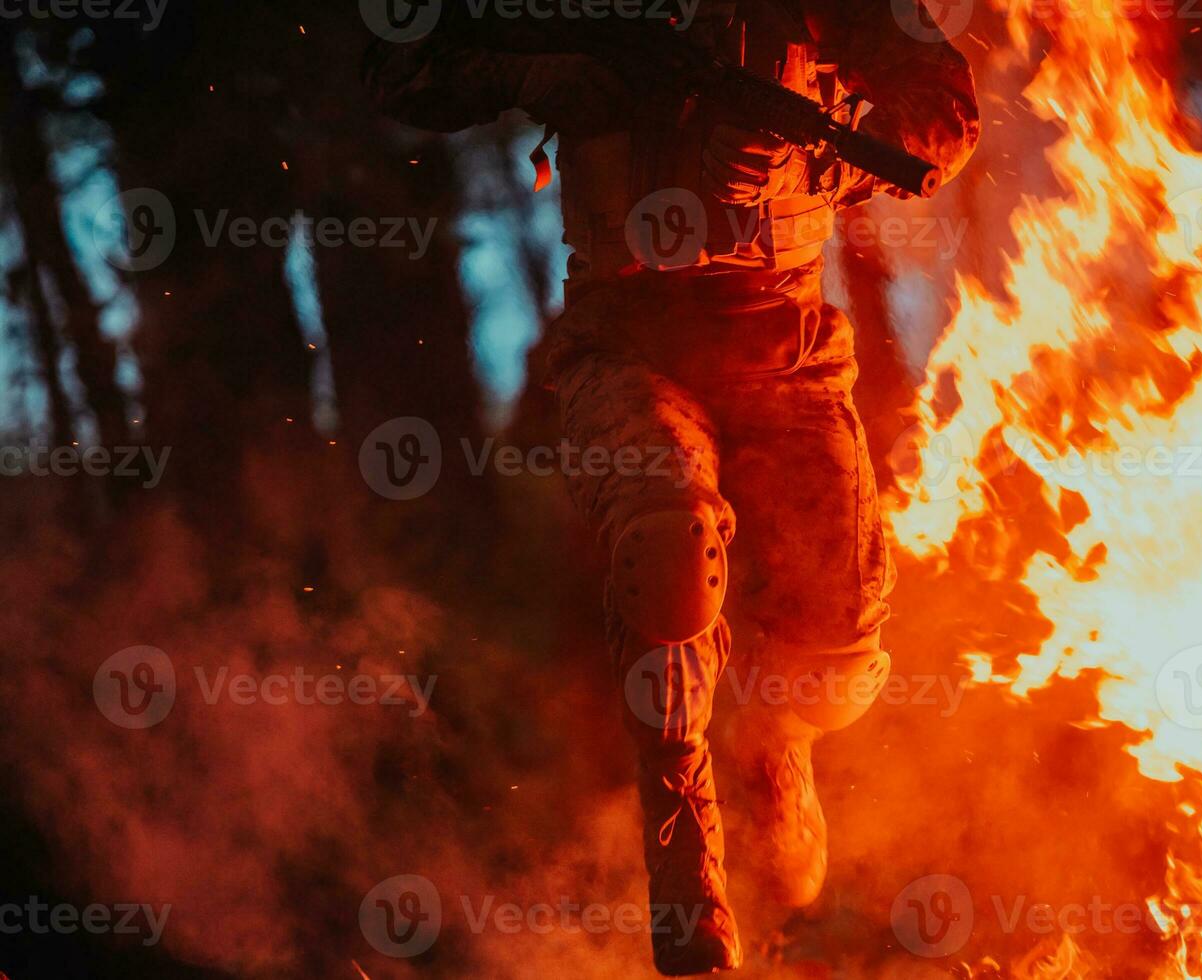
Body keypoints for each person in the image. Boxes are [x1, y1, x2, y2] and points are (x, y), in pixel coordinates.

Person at [364, 3, 977, 972]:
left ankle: (777, 740)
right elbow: (401, 67)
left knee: (833, 652)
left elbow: (940, 108)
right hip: (626, 333)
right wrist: (540, 73)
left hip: (784, 339)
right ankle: (683, 861)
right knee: (667, 541)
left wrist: (818, 161)